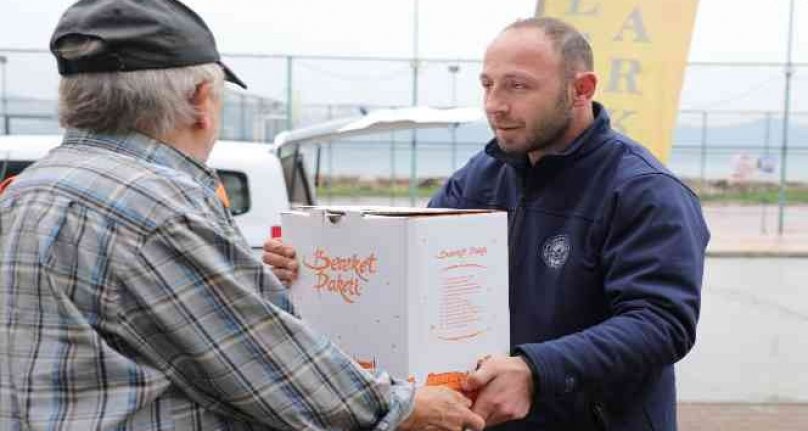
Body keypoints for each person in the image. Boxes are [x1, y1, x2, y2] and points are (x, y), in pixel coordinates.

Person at [0, 1, 486, 430]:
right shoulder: (157, 211)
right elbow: (277, 371)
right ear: (198, 102)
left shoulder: (29, 189)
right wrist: (406, 407)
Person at [264, 17, 710, 431]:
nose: (495, 105)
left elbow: (661, 323)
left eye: (517, 86)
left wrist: (536, 370)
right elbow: (412, 264)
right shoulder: (482, 175)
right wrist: (310, 267)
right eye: (487, 84)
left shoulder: (643, 191)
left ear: (581, 89)